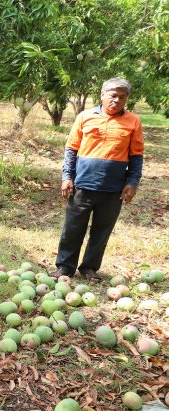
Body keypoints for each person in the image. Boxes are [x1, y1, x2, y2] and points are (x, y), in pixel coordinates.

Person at [52, 77, 144, 281]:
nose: (117, 100)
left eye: (122, 97)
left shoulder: (133, 121)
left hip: (113, 188)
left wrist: (132, 182)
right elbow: (71, 149)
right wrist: (67, 176)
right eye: (113, 95)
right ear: (102, 95)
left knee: (102, 230)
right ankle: (65, 267)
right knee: (73, 227)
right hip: (82, 184)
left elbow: (136, 155)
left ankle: (89, 268)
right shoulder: (85, 117)